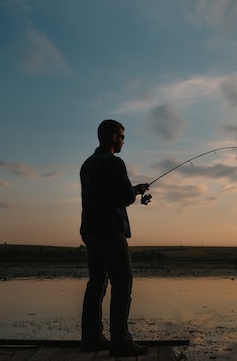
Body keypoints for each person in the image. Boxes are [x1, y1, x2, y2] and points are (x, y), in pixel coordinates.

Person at [79, 119, 150, 356]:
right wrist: (134, 193)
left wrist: (135, 190)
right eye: (121, 136)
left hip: (90, 230)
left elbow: (109, 194)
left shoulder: (87, 165)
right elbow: (123, 196)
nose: (123, 141)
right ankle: (120, 341)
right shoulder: (114, 163)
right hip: (110, 230)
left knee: (96, 284)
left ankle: (91, 339)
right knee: (122, 281)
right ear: (112, 137)